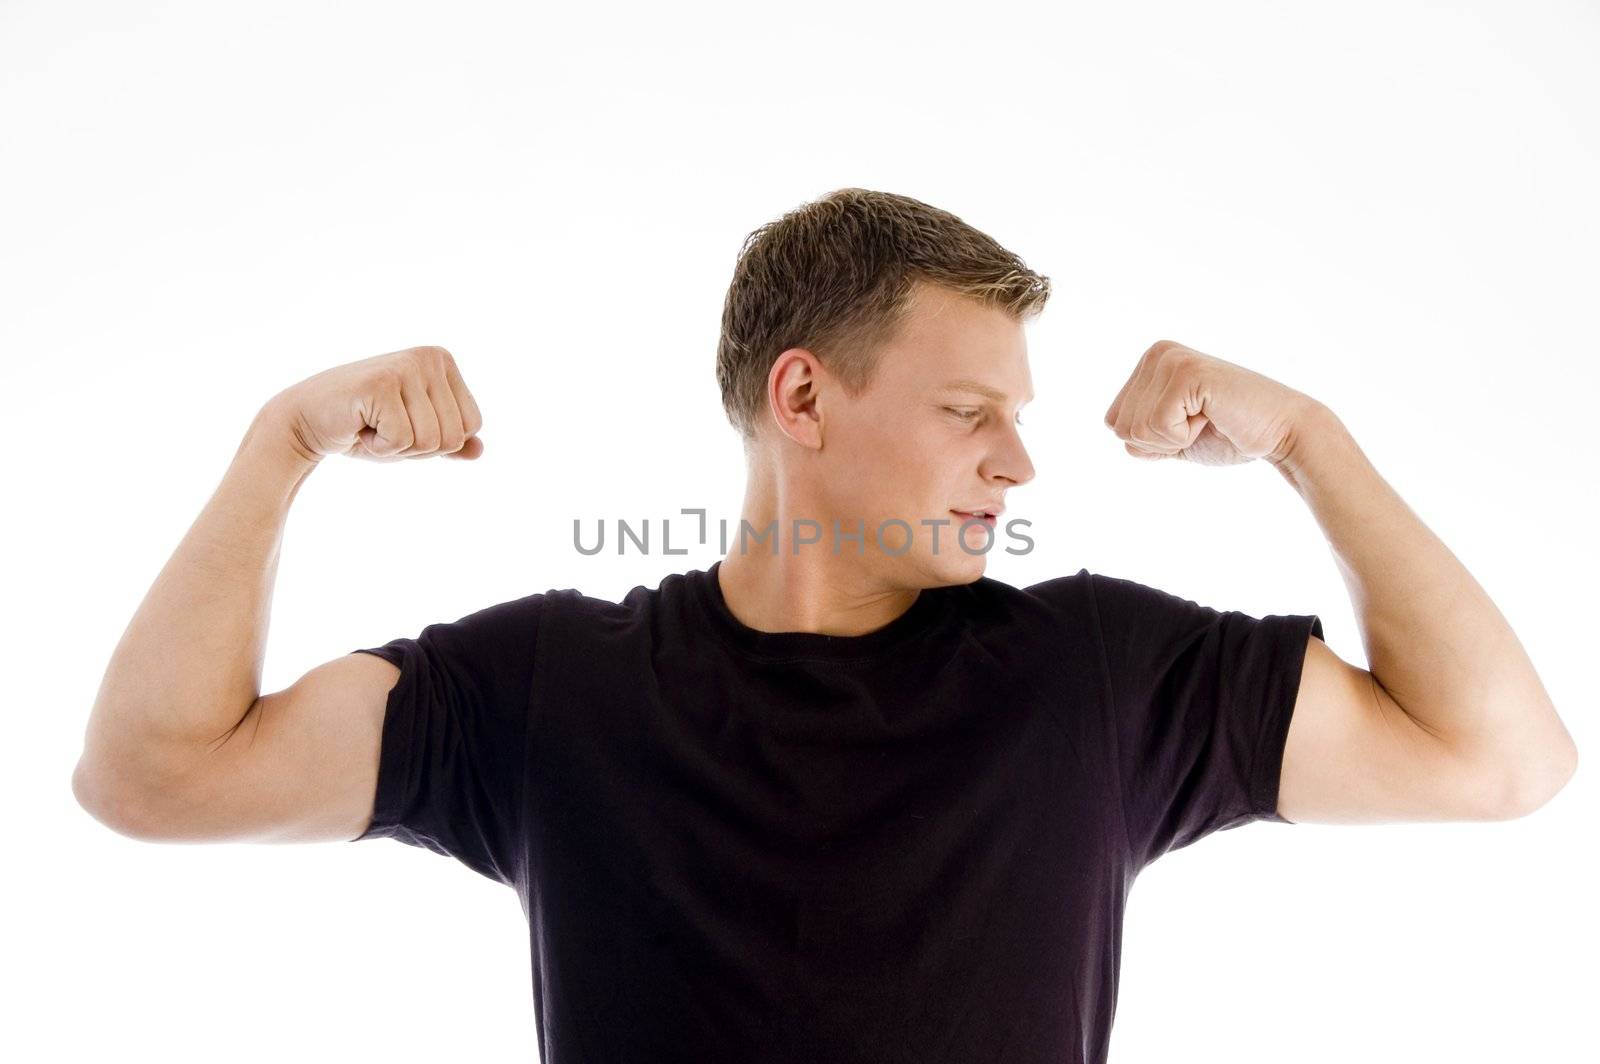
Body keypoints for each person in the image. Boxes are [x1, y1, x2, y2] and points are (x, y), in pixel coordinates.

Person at [73, 188, 1577, 1063]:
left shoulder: (1096, 678)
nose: (1018, 460)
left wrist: (1308, 437)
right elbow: (154, 777)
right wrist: (281, 443)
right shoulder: (552, 690)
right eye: (970, 410)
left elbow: (1501, 758)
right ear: (806, 398)